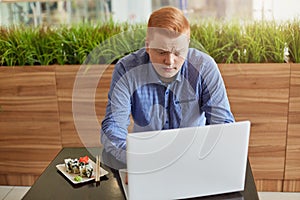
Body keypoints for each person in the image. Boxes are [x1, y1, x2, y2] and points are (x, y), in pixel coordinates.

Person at [101, 6, 234, 165]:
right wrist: (134, 160)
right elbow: (113, 128)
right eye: (162, 52)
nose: (170, 62)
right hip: (145, 158)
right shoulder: (126, 69)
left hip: (194, 159)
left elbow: (223, 126)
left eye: (178, 52)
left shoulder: (204, 67)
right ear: (148, 46)